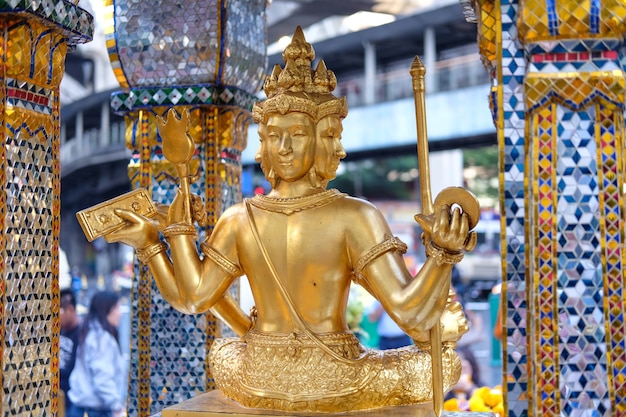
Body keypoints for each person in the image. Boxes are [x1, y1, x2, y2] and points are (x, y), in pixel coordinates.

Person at [103, 27, 477, 413]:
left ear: (323, 138)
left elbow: (193, 299)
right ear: (262, 141)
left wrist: (156, 243)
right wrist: (442, 257)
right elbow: (413, 317)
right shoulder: (355, 215)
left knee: (222, 352)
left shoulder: (241, 217)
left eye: (297, 134)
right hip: (338, 378)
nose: (282, 148)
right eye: (273, 136)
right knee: (439, 363)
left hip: (252, 375)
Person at [67, 291, 126, 417]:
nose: (120, 313)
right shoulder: (101, 339)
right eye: (117, 308)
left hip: (82, 409)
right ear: (107, 310)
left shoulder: (90, 333)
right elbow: (102, 377)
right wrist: (117, 406)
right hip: (93, 411)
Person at [60, 288, 81, 411]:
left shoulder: (82, 334)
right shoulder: (59, 329)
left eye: (60, 311)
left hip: (72, 400)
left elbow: (73, 367)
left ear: (71, 310)